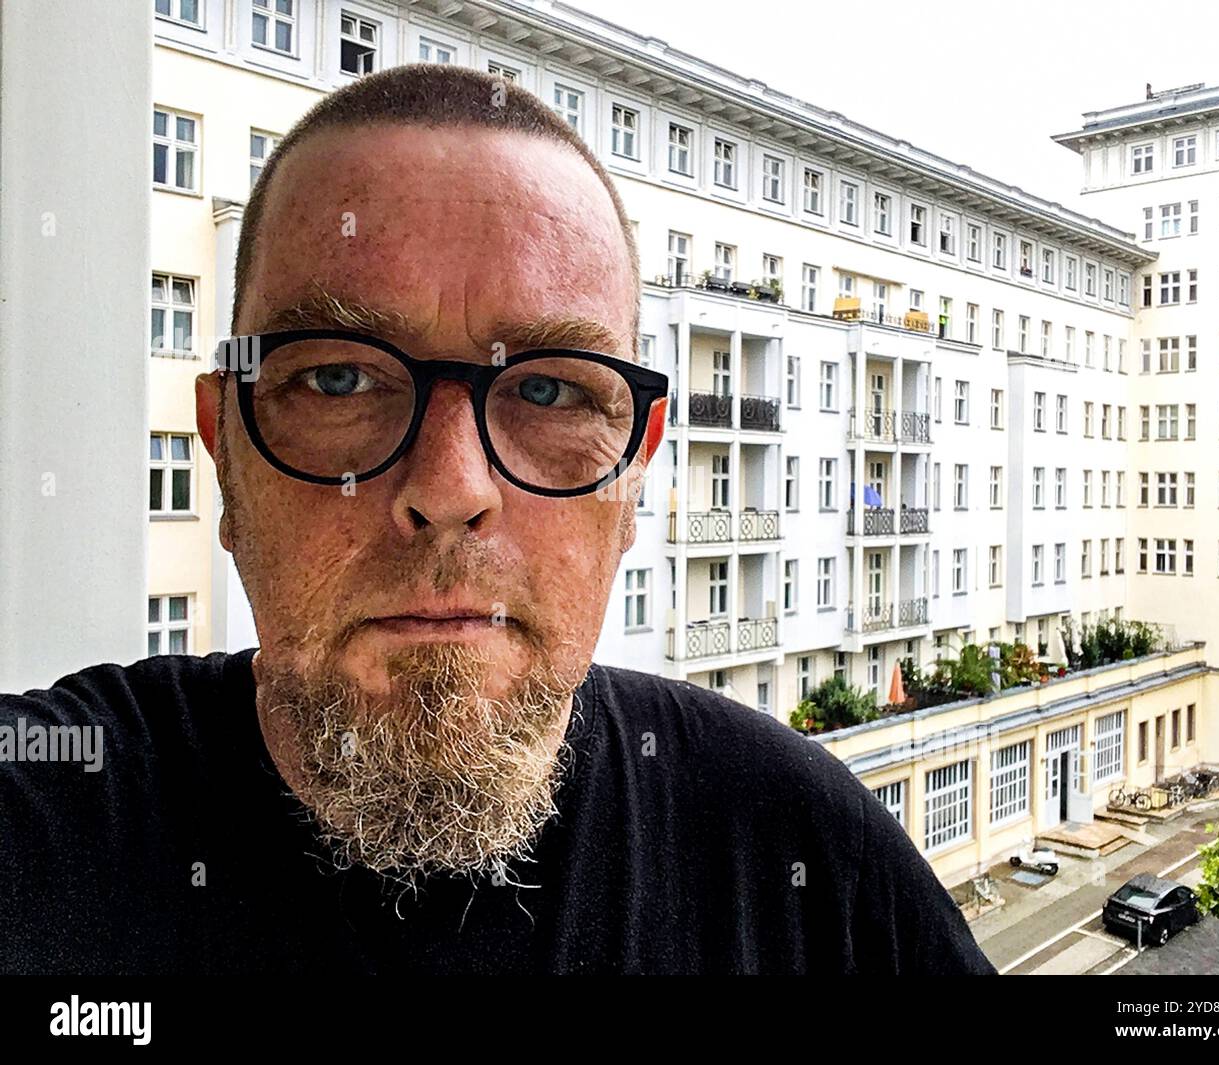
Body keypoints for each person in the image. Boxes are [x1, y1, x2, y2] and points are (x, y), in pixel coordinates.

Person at [0, 64, 995, 975]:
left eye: (554, 394)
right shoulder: (48, 813)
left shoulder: (803, 848)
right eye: (339, 377)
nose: (451, 486)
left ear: (633, 475)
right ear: (227, 454)